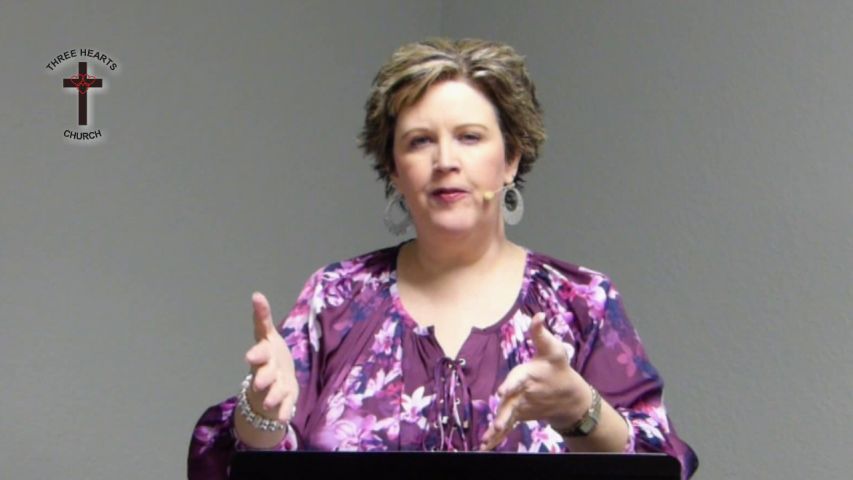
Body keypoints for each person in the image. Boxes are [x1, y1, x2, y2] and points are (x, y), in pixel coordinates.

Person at [188, 38, 698, 479]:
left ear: (511, 158)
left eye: (470, 137)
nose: (445, 161)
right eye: (419, 142)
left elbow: (664, 465)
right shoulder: (336, 298)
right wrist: (260, 415)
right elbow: (232, 467)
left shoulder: (582, 302)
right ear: (393, 168)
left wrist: (580, 410)